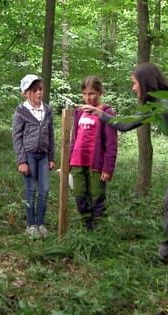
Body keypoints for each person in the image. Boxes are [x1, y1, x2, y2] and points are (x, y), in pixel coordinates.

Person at [79, 63, 168, 275]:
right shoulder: (153, 105)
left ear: (146, 83)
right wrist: (97, 112)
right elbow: (125, 125)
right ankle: (167, 253)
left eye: (135, 83)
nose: (133, 88)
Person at [70, 76, 118, 230]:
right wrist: (68, 162)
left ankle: (99, 230)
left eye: (91, 94)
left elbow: (111, 143)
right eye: (84, 94)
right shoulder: (79, 112)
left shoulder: (106, 112)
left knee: (96, 196)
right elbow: (74, 138)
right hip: (77, 161)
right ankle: (86, 227)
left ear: (99, 92)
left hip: (96, 163)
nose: (87, 98)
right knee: (79, 196)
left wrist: (108, 168)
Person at [12, 74, 55, 239]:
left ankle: (40, 223)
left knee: (44, 190)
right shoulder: (21, 112)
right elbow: (16, 138)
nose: (38, 93)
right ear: (26, 93)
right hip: (28, 156)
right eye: (34, 90)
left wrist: (51, 157)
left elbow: (51, 135)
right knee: (31, 190)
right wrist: (21, 160)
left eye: (40, 89)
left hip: (43, 156)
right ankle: (30, 225)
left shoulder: (47, 110)